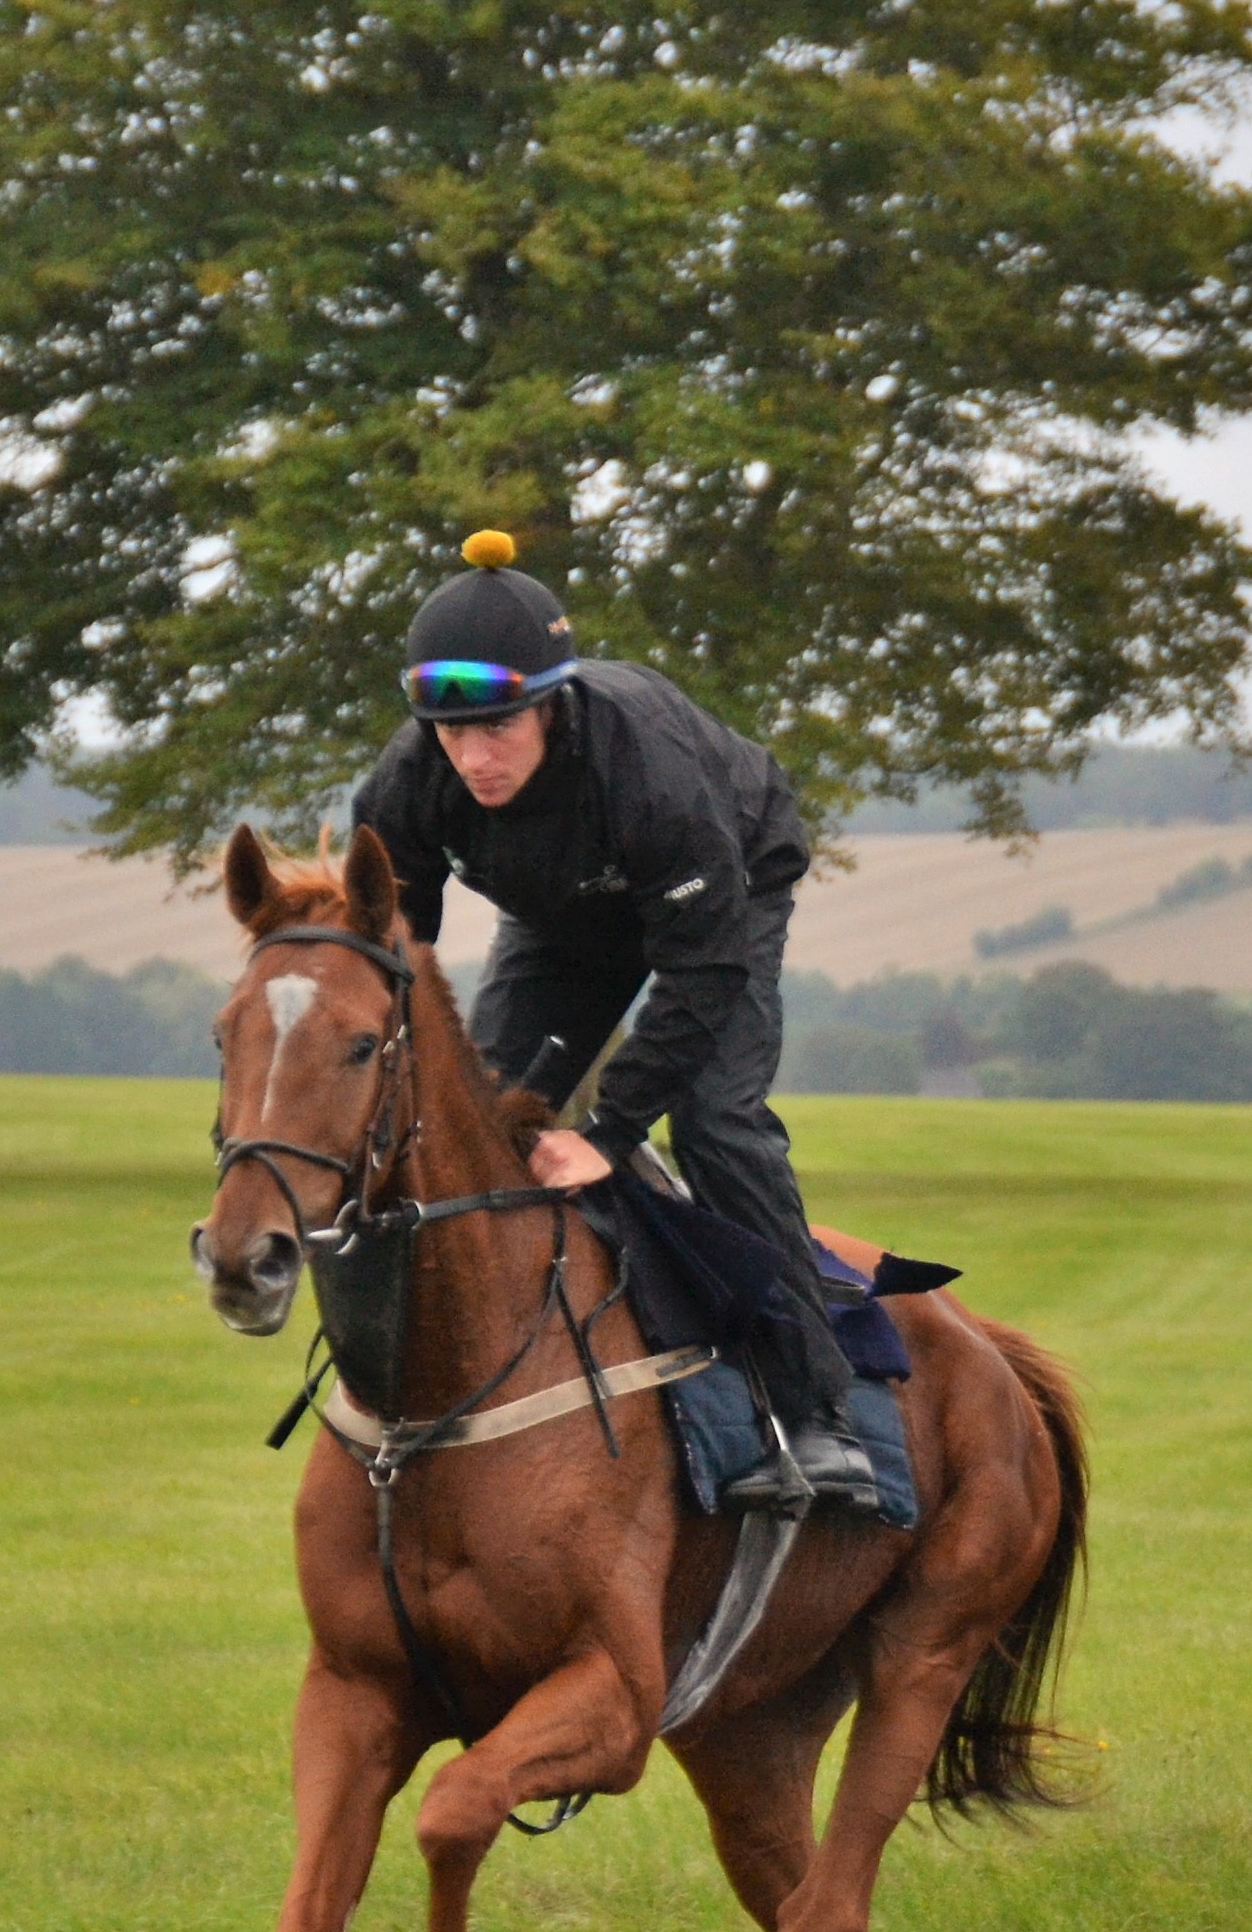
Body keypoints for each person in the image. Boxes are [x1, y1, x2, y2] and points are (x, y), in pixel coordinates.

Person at [344, 531, 875, 1514]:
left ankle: (820, 1416)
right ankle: (479, 1373)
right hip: (565, 926)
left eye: (498, 728)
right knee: (484, 1121)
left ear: (552, 702)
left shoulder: (650, 774)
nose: (475, 757)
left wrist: (609, 1132)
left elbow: (704, 969)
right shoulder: (408, 784)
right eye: (453, 736)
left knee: (715, 1122)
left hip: (728, 892)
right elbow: (393, 964)